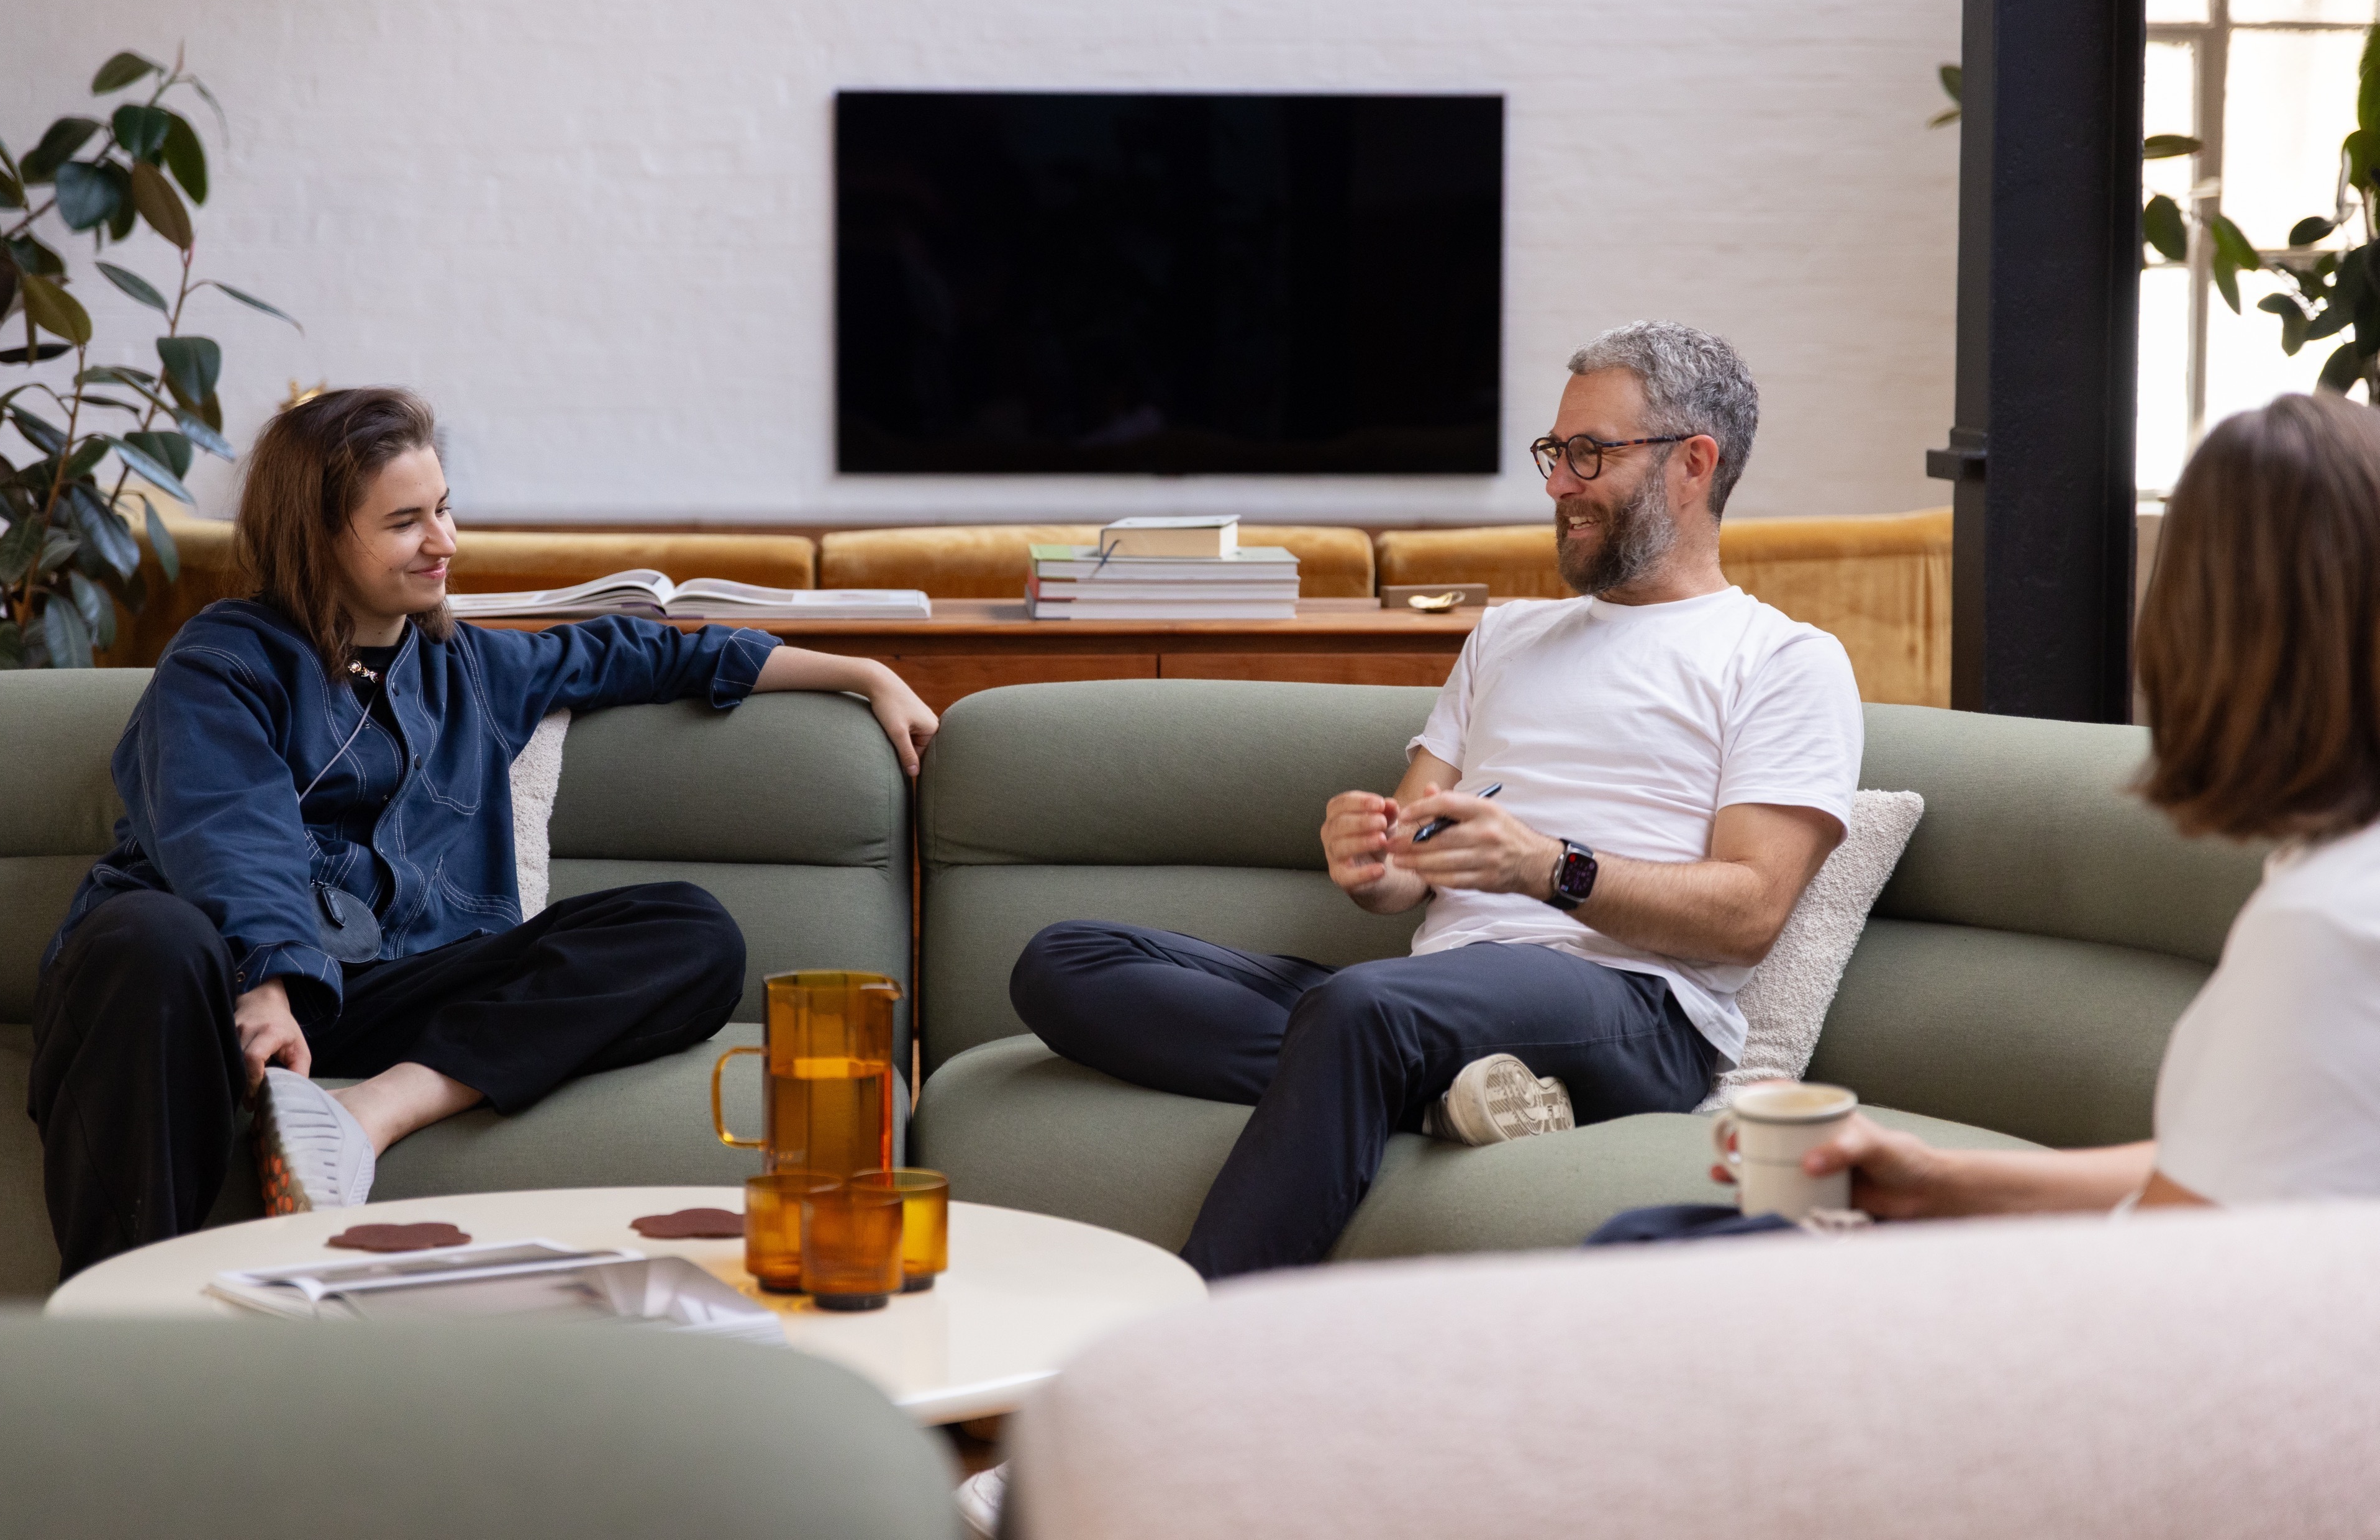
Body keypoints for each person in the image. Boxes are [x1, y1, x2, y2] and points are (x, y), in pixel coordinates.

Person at [1006, 322, 1864, 1279]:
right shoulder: (1506, 637)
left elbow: (1749, 913)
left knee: (1360, 1013)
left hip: (1635, 1005)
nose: (1558, 485)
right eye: (1555, 452)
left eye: (1589, 454)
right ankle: (1430, 1094)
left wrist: (1544, 865)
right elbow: (1405, 870)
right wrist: (1373, 860)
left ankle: (1191, 1348)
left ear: (1693, 464)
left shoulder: (1782, 658)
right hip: (1437, 993)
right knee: (1065, 960)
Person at [27, 387, 938, 1280]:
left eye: (445, 510)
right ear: (318, 534)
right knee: (147, 933)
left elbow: (650, 651)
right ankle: (125, 1331)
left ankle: (364, 1120)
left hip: (380, 1001)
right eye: (405, 522)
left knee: (691, 931)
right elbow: (229, 821)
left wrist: (862, 671)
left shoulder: (468, 666)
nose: (444, 543)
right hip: (210, 993)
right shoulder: (222, 657)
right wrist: (268, 974)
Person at [1682, 391, 2380, 1225]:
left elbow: (2181, 1252)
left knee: (1665, 1244)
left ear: (2203, 631)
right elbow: (2235, 1165)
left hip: (2171, 1325)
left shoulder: (2325, 925)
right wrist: (1940, 1181)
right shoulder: (2337, 873)